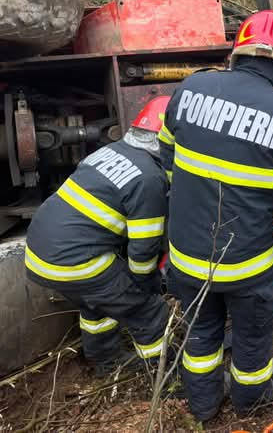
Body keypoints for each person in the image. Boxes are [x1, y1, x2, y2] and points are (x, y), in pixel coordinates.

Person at [158, 10, 273, 423]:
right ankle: (251, 401)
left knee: (200, 334)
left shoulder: (191, 88)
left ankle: (203, 407)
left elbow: (167, 155)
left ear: (238, 51)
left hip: (186, 259)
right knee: (251, 338)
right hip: (248, 265)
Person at [25, 96, 171, 375]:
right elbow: (143, 250)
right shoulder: (149, 178)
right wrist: (145, 286)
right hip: (76, 261)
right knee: (148, 311)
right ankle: (164, 374)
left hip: (39, 254)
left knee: (97, 304)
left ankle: (106, 362)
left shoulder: (109, 151)